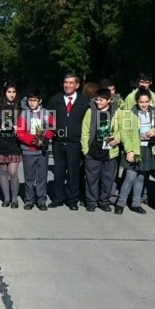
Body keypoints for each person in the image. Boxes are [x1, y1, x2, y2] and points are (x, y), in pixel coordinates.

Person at [81, 87, 135, 212]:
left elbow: (123, 129)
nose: (98, 102)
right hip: (93, 150)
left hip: (110, 151)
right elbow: (85, 131)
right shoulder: (91, 111)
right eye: (97, 99)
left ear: (109, 100)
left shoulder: (117, 112)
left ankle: (104, 201)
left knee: (108, 178)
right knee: (91, 178)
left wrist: (117, 139)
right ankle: (91, 201)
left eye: (101, 100)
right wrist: (85, 150)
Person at [47, 72, 89, 210]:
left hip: (75, 143)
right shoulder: (55, 99)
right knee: (58, 172)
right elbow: (48, 119)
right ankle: (58, 198)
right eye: (66, 82)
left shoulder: (84, 102)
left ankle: (72, 200)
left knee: (73, 172)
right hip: (58, 142)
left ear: (77, 85)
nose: (68, 85)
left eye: (71, 83)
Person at [116, 88, 155, 215]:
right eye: (141, 102)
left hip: (147, 148)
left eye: (146, 101)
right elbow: (125, 133)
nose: (144, 104)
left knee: (141, 177)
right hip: (133, 148)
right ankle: (120, 203)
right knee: (130, 177)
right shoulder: (129, 113)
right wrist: (129, 151)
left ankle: (136, 203)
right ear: (136, 101)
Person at [16, 88, 55, 210]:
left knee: (42, 176)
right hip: (29, 150)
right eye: (29, 100)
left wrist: (44, 138)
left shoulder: (46, 113)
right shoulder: (24, 114)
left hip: (42, 150)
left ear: (40, 100)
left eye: (34, 100)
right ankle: (29, 200)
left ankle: (41, 199)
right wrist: (31, 140)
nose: (31, 103)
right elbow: (20, 132)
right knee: (29, 177)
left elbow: (52, 128)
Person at [0, 81, 22, 208]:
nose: (11, 94)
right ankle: (6, 198)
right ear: (4, 93)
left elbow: (25, 123)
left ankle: (14, 198)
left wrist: (19, 128)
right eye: (9, 92)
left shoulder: (20, 106)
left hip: (15, 143)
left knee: (13, 171)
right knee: (3, 170)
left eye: (13, 92)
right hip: (1, 141)